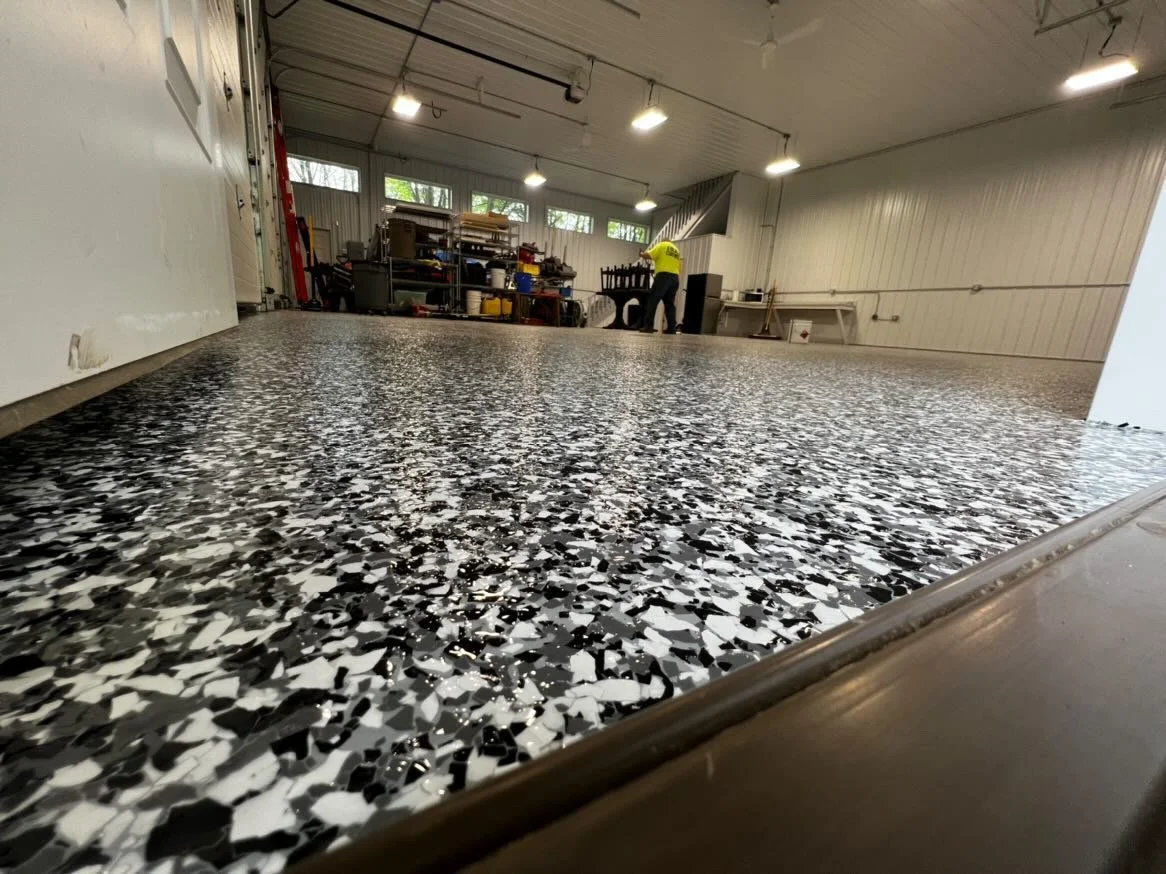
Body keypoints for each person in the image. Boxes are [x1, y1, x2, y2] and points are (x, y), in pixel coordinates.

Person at [638, 239, 683, 334]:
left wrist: (642, 254)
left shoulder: (662, 245)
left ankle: (648, 326)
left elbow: (649, 255)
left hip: (663, 276)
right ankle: (672, 328)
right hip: (675, 278)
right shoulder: (676, 250)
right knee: (669, 304)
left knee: (652, 300)